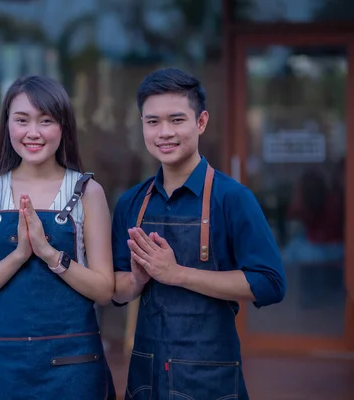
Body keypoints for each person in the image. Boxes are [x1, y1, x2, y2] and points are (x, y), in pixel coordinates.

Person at [111, 68, 286, 400]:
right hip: (146, 374)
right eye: (153, 122)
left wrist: (177, 274)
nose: (164, 132)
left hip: (211, 374)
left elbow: (270, 283)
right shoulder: (130, 203)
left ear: (201, 122)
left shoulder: (233, 198)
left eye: (177, 120)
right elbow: (116, 293)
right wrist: (135, 280)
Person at [0, 75, 116, 399]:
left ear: (63, 127)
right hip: (4, 366)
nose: (33, 132)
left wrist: (50, 255)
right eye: (22, 120)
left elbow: (104, 290)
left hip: (74, 365)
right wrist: (19, 255)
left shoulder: (87, 193)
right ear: (8, 126)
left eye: (46, 121)